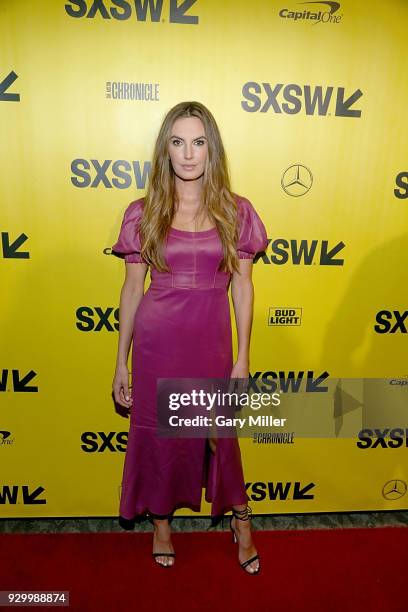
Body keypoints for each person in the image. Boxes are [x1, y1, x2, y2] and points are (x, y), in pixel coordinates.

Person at [111, 101, 268, 574]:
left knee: (221, 436)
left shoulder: (236, 210)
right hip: (159, 340)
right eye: (177, 142)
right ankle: (161, 526)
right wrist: (122, 361)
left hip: (211, 338)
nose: (188, 154)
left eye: (198, 142)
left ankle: (241, 519)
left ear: (211, 149)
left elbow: (242, 284)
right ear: (165, 149)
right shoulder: (143, 212)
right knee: (161, 436)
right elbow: (132, 289)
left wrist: (242, 358)